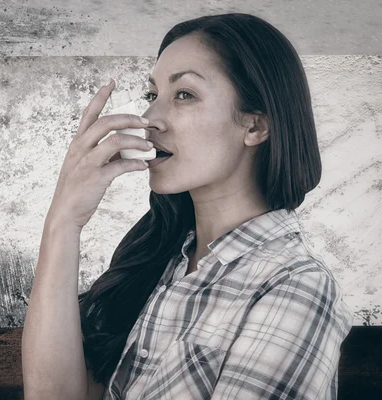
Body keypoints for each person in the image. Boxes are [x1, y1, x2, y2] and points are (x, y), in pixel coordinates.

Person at [22, 12, 353, 400]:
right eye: (152, 96)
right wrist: (64, 220)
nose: (150, 119)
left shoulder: (295, 286)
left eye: (184, 95)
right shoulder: (157, 265)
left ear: (255, 126)